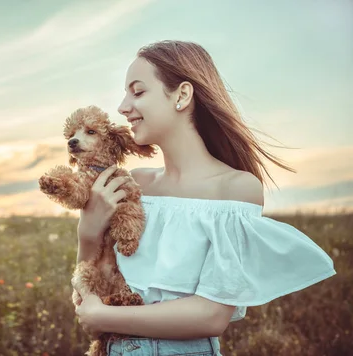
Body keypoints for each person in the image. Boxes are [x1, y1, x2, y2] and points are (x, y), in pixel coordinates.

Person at [71, 40, 337, 356]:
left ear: (182, 95)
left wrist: (105, 317)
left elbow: (211, 316)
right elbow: (89, 288)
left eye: (138, 92)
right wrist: (87, 234)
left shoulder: (235, 189)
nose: (123, 107)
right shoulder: (133, 184)